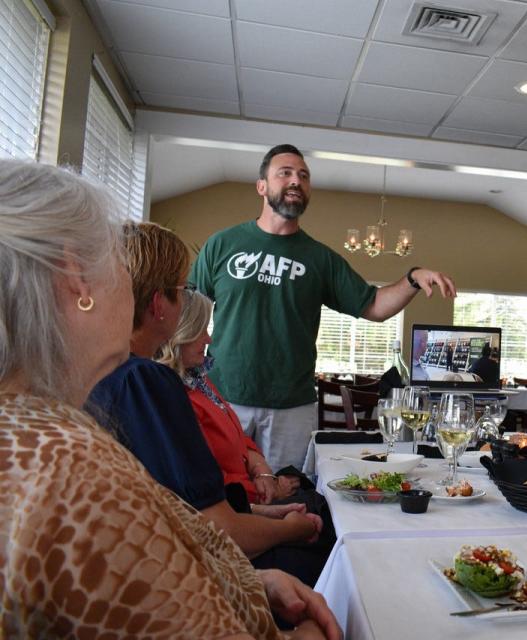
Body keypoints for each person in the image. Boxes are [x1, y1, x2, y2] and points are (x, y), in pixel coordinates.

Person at [0, 159, 340, 639]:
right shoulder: (70, 467)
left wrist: (252, 582)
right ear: (78, 278)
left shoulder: (42, 429)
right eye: (119, 263)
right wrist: (312, 630)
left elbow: (150, 570)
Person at [88, 221, 331, 588]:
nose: (188, 301)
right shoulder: (147, 384)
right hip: (182, 579)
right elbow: (218, 531)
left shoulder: (99, 374)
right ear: (159, 304)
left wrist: (268, 513)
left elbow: (180, 508)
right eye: (183, 290)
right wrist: (288, 530)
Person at [190, 144, 457, 471]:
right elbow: (191, 312)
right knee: (219, 491)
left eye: (303, 176)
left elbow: (373, 305)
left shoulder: (320, 259)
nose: (295, 181)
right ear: (262, 186)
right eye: (284, 173)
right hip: (224, 397)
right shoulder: (222, 245)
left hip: (292, 408)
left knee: (288, 497)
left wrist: (412, 277)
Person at [156, 289, 300, 506]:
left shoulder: (199, 380)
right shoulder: (173, 397)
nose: (208, 338)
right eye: (200, 330)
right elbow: (209, 483)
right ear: (178, 335)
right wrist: (269, 490)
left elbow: (240, 440)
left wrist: (262, 472)